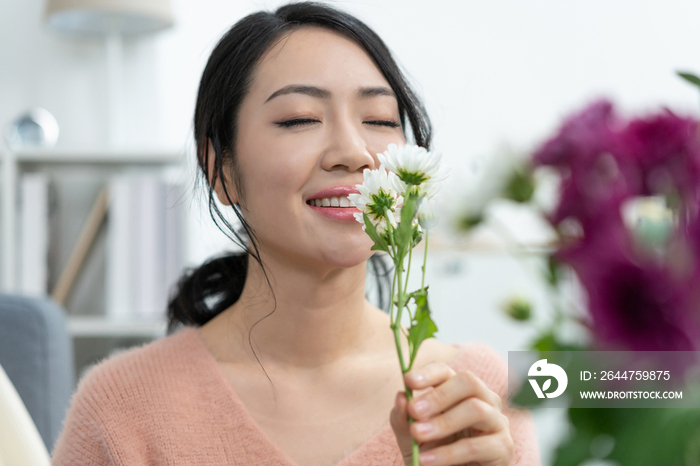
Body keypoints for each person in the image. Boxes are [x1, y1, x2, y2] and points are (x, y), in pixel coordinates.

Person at [51, 2, 541, 465]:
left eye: (379, 120)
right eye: (300, 119)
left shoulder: (479, 394)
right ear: (221, 170)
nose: (353, 152)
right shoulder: (119, 410)